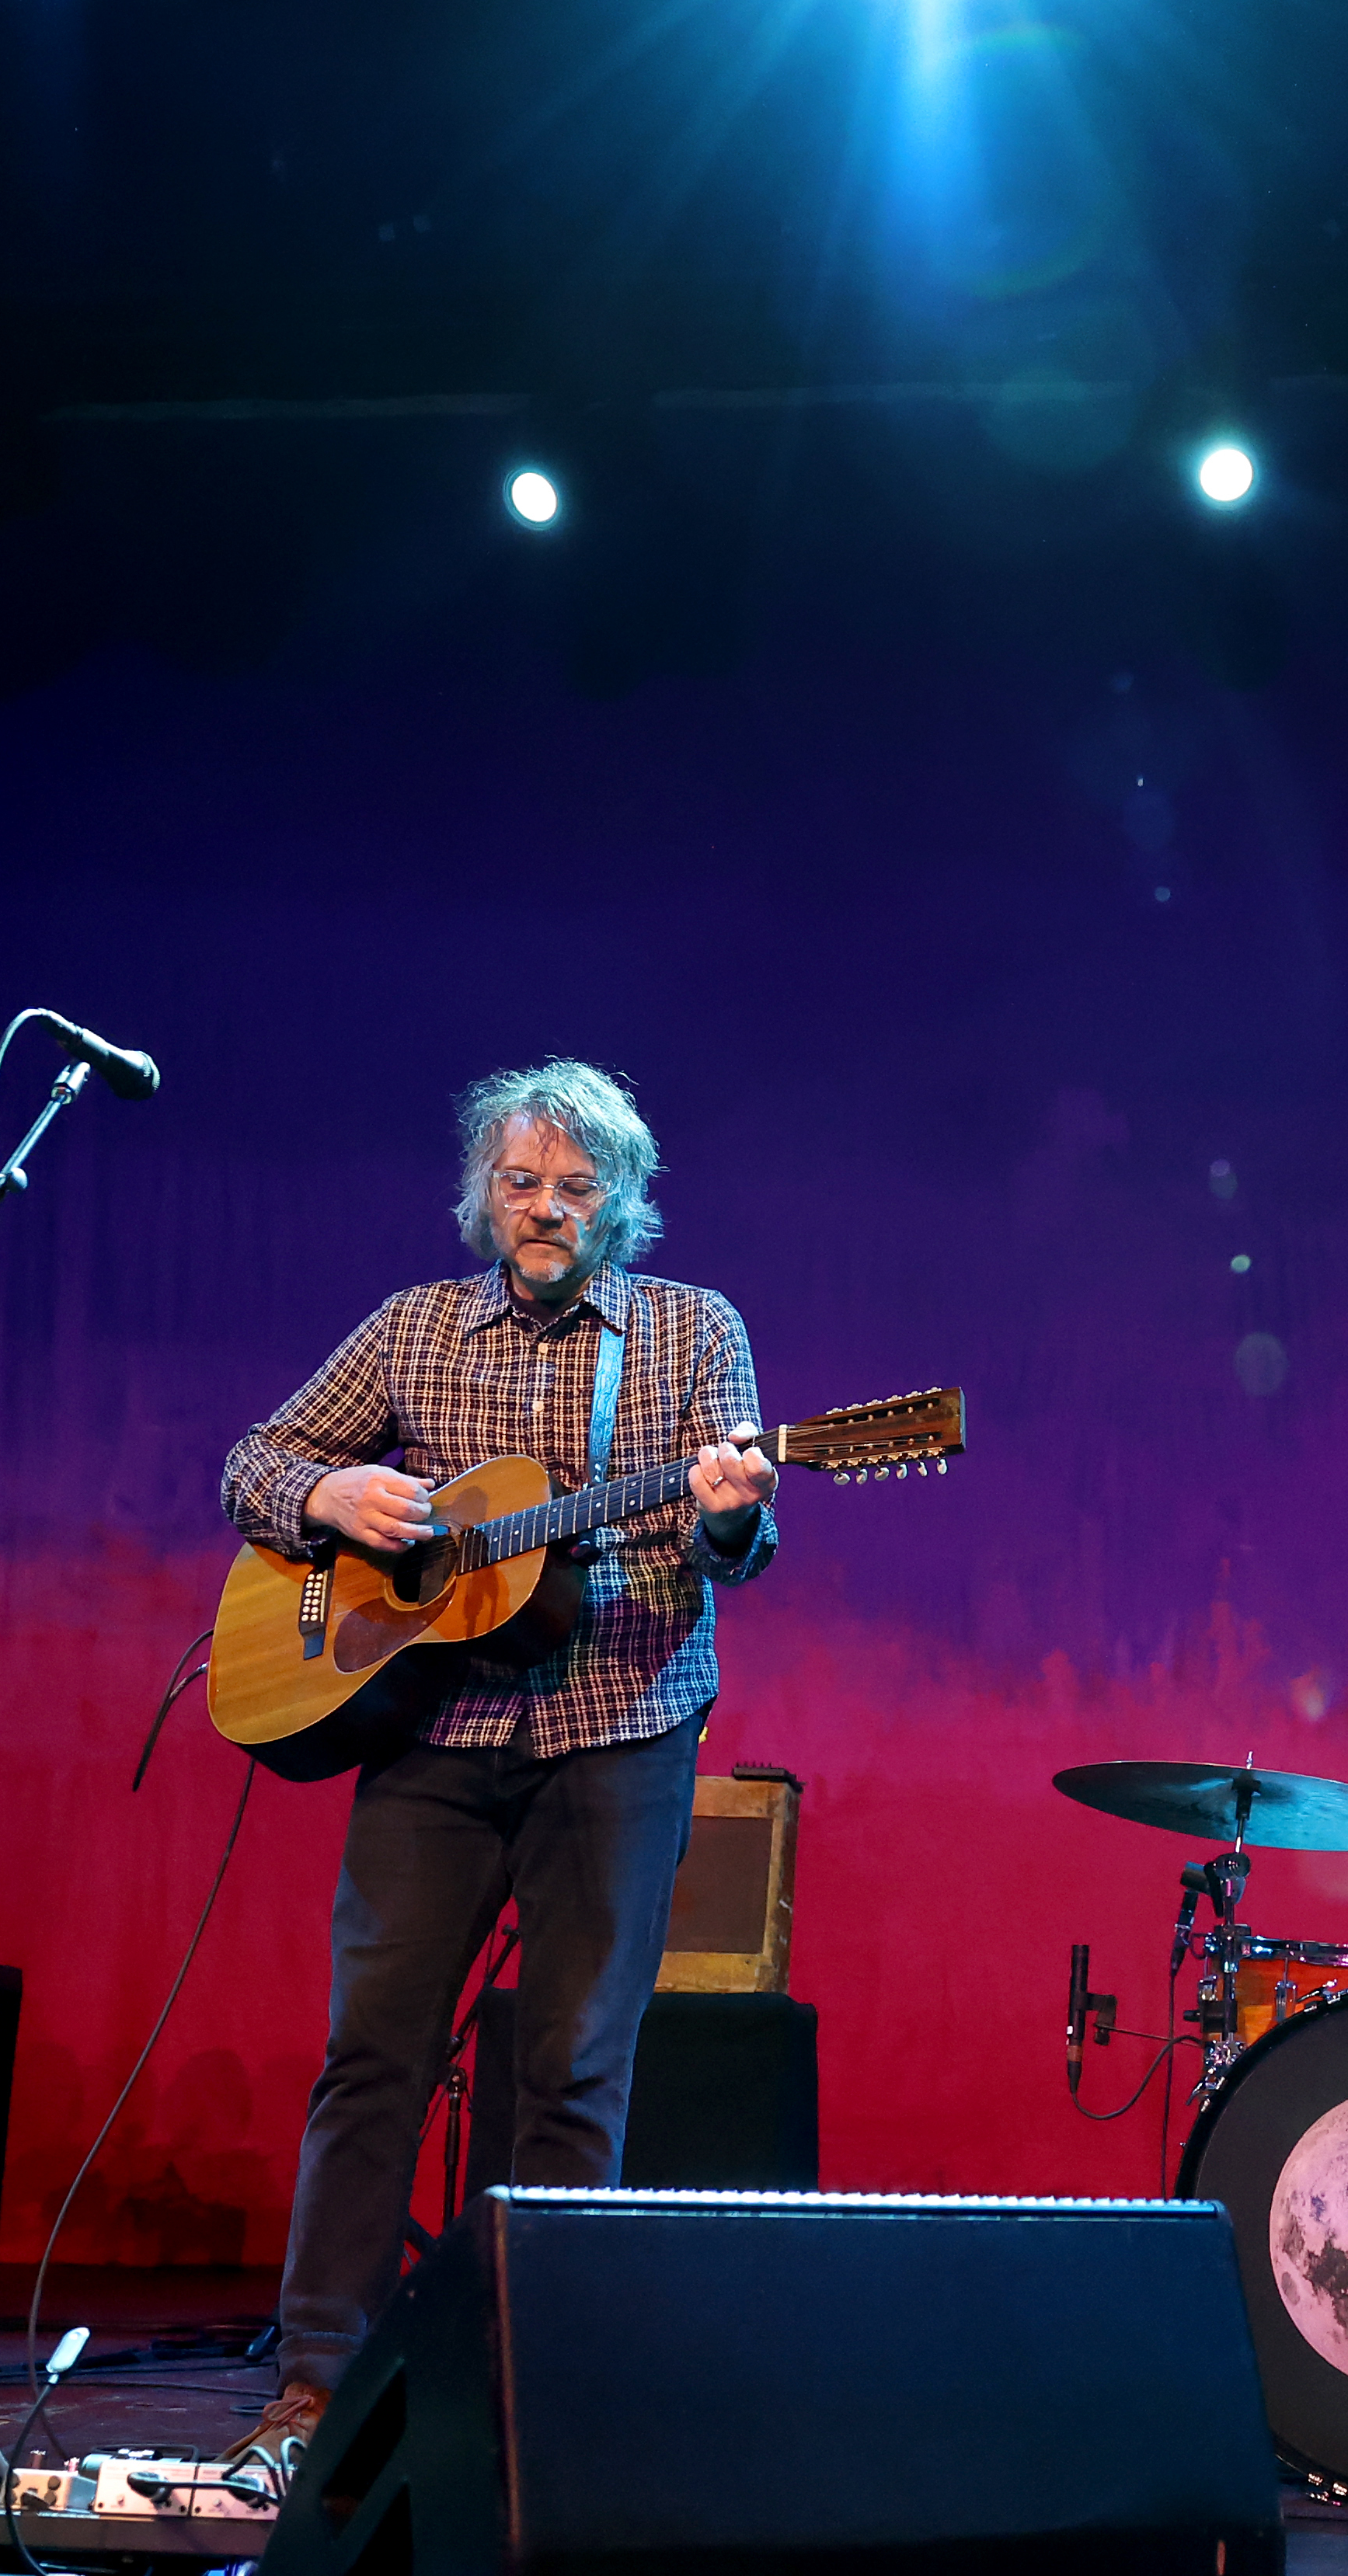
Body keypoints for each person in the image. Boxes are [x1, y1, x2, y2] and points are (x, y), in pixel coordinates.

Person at [216, 1058, 781, 2471]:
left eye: (577, 1189)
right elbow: (252, 1462)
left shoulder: (692, 1332)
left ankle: (539, 2388)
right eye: (521, 1184)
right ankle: (315, 2385)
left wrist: (724, 1517)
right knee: (372, 2056)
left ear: (625, 1205)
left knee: (576, 2067)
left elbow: (744, 1554)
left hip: (621, 1723)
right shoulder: (413, 1331)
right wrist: (326, 1490)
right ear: (485, 1195)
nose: (545, 1209)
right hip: (433, 1731)